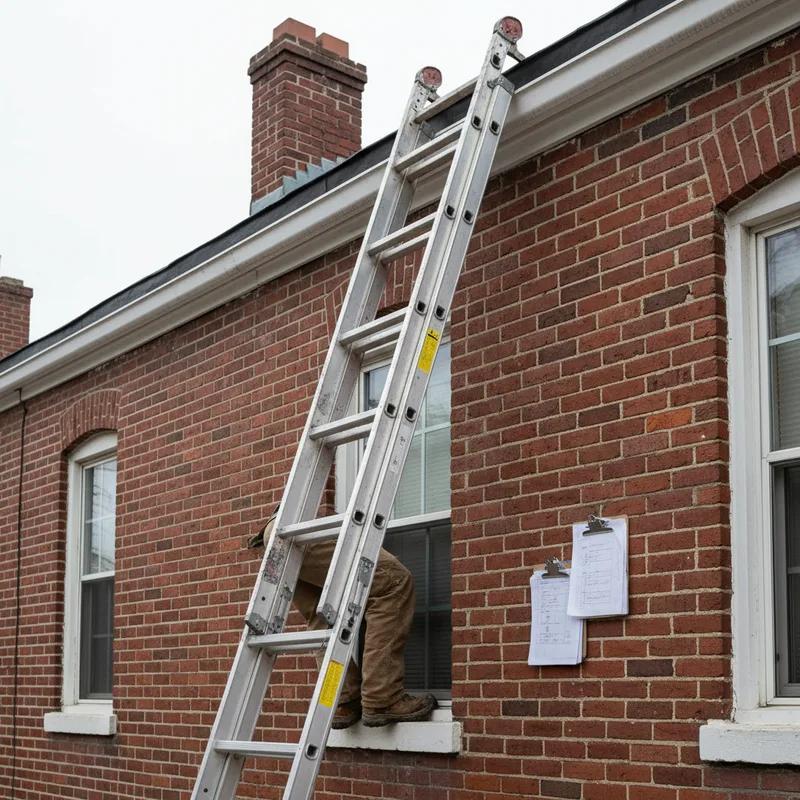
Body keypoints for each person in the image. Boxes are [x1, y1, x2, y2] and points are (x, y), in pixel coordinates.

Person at [250, 511, 436, 729]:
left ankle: (343, 701)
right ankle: (382, 697)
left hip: (275, 535)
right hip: (302, 524)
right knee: (393, 583)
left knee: (321, 619)